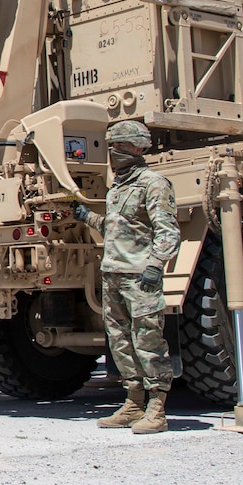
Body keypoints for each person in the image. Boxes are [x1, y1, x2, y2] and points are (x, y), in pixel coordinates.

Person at [74, 120, 179, 434]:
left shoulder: (153, 184)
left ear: (138, 148)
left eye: (120, 146)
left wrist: (155, 266)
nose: (114, 153)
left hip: (139, 278)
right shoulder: (117, 188)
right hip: (113, 276)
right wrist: (83, 214)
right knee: (120, 342)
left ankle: (157, 408)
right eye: (112, 147)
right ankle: (133, 403)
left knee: (148, 340)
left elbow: (168, 232)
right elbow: (115, 229)